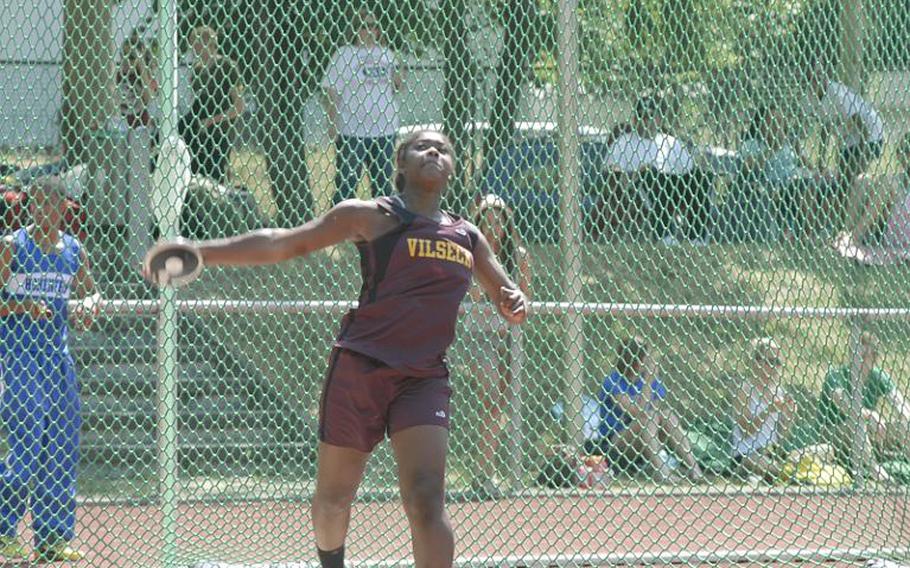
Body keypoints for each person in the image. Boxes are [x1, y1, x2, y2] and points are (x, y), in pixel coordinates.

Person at [143, 130, 528, 568]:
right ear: (401, 162)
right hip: (361, 369)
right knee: (334, 499)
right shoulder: (372, 215)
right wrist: (202, 252)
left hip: (423, 378)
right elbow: (286, 242)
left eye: (444, 149)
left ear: (453, 167)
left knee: (425, 498)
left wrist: (513, 301)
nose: (435, 152)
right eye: (423, 147)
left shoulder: (468, 236)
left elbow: (506, 290)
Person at [0, 177, 102, 562]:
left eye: (49, 204)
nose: (41, 211)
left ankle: (53, 537)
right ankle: (2, 526)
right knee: (26, 442)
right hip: (18, 357)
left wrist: (90, 305)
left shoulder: (74, 250)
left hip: (56, 360)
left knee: (60, 447)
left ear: (64, 209)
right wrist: (23, 308)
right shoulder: (12, 247)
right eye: (35, 204)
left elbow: (90, 291)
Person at [463, 194, 531, 499]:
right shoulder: (470, 254)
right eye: (486, 222)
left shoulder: (517, 256)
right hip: (478, 336)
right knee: (490, 398)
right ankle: (485, 472)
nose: (493, 228)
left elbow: (523, 301)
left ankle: (485, 470)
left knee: (498, 407)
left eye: (499, 221)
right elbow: (476, 296)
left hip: (507, 338)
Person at [593, 336, 704, 483]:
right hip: (617, 444)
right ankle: (662, 473)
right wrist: (647, 382)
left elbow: (656, 412)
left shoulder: (649, 380)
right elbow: (638, 412)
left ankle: (695, 470)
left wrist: (648, 381)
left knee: (668, 415)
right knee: (647, 419)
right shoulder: (613, 381)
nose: (649, 361)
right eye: (645, 357)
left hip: (648, 440)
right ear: (635, 360)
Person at [322, 8, 403, 205]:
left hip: (385, 129)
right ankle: (339, 228)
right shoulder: (344, 54)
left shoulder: (387, 53)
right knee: (347, 183)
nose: (370, 30)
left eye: (373, 26)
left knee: (383, 183)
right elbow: (330, 91)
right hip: (353, 130)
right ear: (355, 29)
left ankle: (383, 227)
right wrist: (331, 122)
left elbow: (397, 86)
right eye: (364, 26)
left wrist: (399, 70)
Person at [818, 332, 910, 483]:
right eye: (855, 353)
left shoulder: (878, 376)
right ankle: (877, 473)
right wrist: (868, 415)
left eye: (864, 355)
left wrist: (906, 419)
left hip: (867, 433)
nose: (858, 359)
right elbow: (842, 402)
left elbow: (899, 402)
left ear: (874, 358)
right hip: (833, 433)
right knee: (858, 423)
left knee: (904, 425)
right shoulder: (836, 374)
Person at [806, 65, 884, 233]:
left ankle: (850, 230)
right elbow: (825, 129)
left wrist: (861, 157)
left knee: (852, 183)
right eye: (814, 75)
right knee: (843, 184)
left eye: (822, 73)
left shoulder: (836, 94)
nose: (820, 78)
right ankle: (840, 228)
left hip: (870, 137)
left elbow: (861, 126)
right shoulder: (812, 98)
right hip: (848, 139)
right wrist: (821, 160)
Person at [179, 25, 245, 183]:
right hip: (197, 135)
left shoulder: (227, 67)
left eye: (196, 44)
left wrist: (211, 121)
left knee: (215, 181)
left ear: (207, 43)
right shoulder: (197, 70)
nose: (193, 50)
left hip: (217, 135)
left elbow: (238, 107)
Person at [730, 338, 797, 482]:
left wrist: (790, 416)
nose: (775, 367)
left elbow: (782, 436)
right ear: (757, 362)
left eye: (778, 362)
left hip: (772, 453)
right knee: (760, 461)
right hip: (748, 454)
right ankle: (789, 474)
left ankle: (783, 472)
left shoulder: (779, 391)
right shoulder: (745, 390)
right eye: (771, 361)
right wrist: (768, 410)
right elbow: (745, 431)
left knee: (826, 449)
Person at [116, 31, 158, 130]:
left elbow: (150, 101)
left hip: (142, 127)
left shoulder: (147, 78)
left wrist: (141, 67)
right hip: (123, 126)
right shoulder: (120, 76)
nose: (126, 60)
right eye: (123, 55)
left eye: (131, 57)